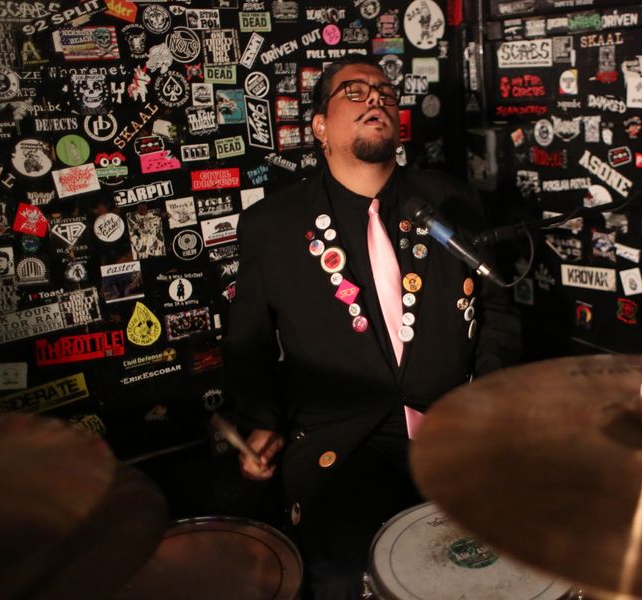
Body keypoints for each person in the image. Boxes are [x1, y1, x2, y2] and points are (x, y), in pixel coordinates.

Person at [222, 54, 521, 600]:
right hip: (343, 440)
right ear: (319, 126)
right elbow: (249, 340)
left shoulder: (450, 200)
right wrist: (259, 421)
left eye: (384, 91)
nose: (375, 99)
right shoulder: (272, 224)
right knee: (344, 572)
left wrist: (490, 401)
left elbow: (497, 311)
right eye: (354, 92)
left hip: (454, 426)